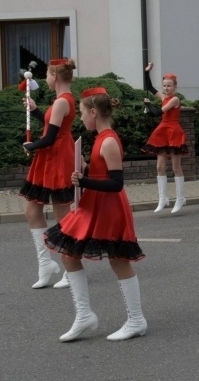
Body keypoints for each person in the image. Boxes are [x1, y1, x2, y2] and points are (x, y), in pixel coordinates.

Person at [44, 87, 147, 342]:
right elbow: (102, 175)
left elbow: (116, 183)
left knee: (118, 259)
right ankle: (84, 315)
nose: (80, 119)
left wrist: (84, 182)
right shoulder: (101, 138)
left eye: (81, 114)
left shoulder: (109, 140)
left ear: (93, 112)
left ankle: (136, 319)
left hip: (108, 207)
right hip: (93, 204)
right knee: (69, 253)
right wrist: (85, 171)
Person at [20, 58, 76, 290]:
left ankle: (70, 269)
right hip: (49, 156)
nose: (45, 79)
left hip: (57, 155)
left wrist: (30, 146)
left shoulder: (64, 100)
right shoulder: (60, 100)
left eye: (47, 75)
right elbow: (52, 125)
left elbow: (51, 137)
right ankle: (46, 263)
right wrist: (35, 111)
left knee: (62, 213)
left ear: (54, 76)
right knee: (32, 209)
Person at [142, 64, 188, 214]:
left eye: (169, 86)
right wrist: (147, 72)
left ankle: (180, 198)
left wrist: (149, 105)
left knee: (176, 167)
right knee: (159, 167)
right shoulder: (163, 97)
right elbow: (149, 86)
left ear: (175, 87)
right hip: (163, 131)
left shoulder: (174, 100)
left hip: (173, 131)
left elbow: (156, 112)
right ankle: (163, 198)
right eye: (164, 86)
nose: (166, 88)